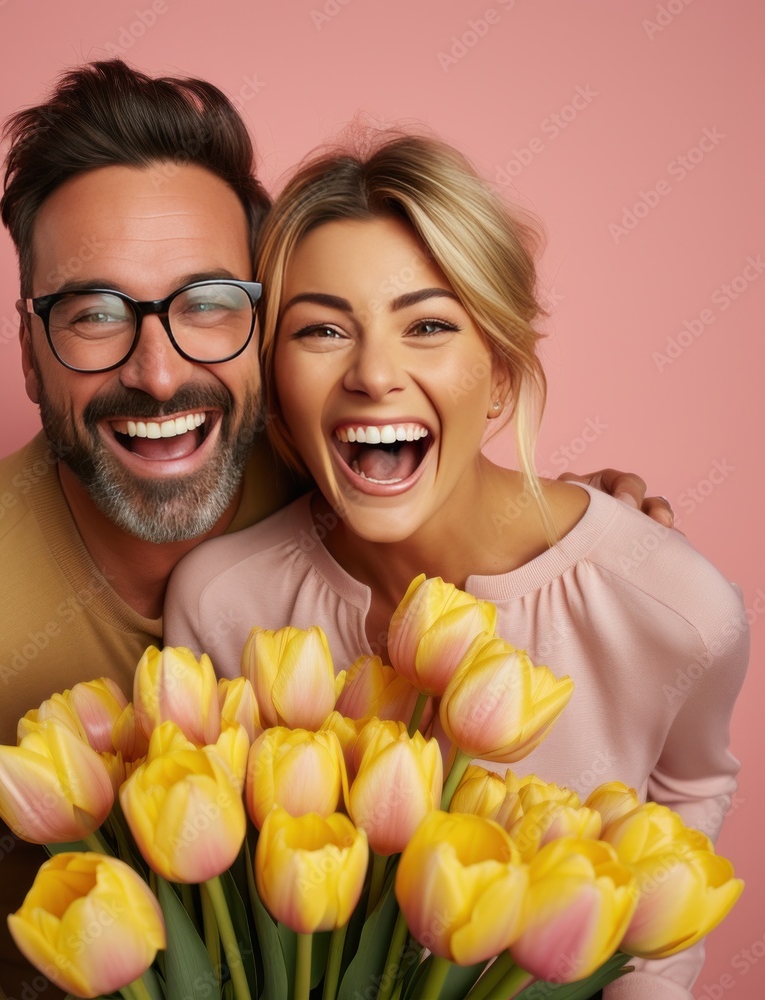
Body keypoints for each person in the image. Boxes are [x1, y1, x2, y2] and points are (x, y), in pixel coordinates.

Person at [0, 63, 672, 1000]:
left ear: (267, 325)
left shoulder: (320, 457)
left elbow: (452, 454)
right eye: (95, 314)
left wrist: (584, 516)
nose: (157, 373)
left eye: (207, 303)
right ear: (31, 353)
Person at [163, 132, 748, 998]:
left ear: (502, 375)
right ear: (274, 377)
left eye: (429, 325)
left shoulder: (670, 606)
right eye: (322, 329)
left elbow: (690, 790)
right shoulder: (225, 604)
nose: (372, 373)